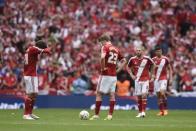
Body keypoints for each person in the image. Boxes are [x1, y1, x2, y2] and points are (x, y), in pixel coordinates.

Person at [90, 34, 126, 120]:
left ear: (104, 41)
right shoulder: (116, 49)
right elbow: (124, 61)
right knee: (112, 95)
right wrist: (118, 70)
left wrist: (103, 68)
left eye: (101, 43)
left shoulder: (105, 47)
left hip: (105, 74)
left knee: (99, 93)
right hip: (114, 75)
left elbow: (102, 58)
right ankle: (110, 115)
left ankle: (96, 115)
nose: (101, 45)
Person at [23, 40, 51, 120]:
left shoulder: (31, 49)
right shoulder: (33, 48)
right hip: (30, 74)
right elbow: (45, 51)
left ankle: (30, 113)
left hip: (32, 74)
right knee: (31, 94)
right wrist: (48, 49)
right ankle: (26, 114)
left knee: (34, 94)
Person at [127, 46, 155, 118]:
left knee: (144, 94)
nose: (138, 52)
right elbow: (128, 67)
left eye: (139, 50)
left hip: (145, 80)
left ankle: (143, 112)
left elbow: (153, 65)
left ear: (142, 51)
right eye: (137, 50)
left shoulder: (147, 58)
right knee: (139, 96)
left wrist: (151, 75)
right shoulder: (132, 59)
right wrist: (131, 75)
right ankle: (139, 112)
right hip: (137, 80)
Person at [152, 46, 173, 116]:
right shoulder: (153, 60)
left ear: (161, 51)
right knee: (158, 96)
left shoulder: (165, 59)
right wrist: (152, 75)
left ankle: (166, 109)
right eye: (157, 51)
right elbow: (150, 70)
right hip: (156, 80)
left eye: (160, 51)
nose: (159, 52)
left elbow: (170, 69)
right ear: (155, 52)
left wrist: (171, 78)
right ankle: (161, 111)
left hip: (163, 78)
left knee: (162, 93)